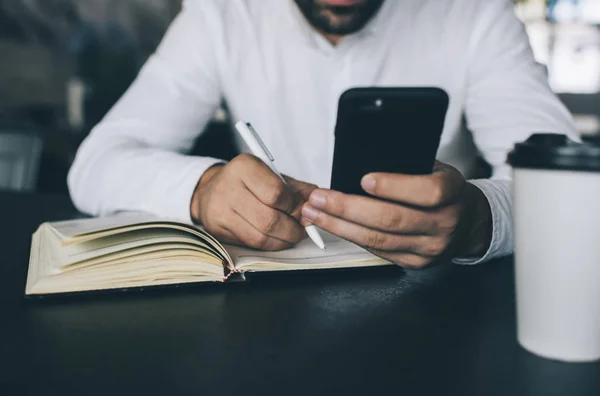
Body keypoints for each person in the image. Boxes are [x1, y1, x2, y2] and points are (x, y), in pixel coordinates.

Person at [68, 0, 578, 268]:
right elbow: (96, 162)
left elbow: (572, 189)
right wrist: (201, 191)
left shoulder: (475, 12)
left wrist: (478, 220)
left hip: (437, 311)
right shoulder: (222, 13)